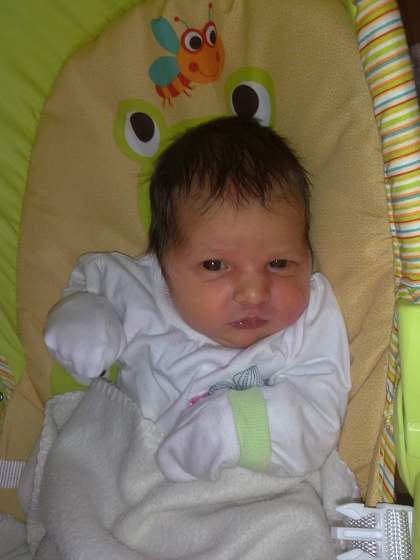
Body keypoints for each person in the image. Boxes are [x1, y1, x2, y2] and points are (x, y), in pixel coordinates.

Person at [44, 116, 351, 483]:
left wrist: (234, 430)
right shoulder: (136, 288)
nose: (254, 293)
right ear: (161, 261)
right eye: (215, 265)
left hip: (249, 488)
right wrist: (86, 324)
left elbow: (319, 413)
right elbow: (89, 286)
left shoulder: (310, 320)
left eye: (279, 263)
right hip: (127, 471)